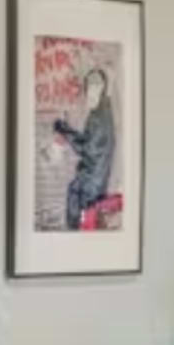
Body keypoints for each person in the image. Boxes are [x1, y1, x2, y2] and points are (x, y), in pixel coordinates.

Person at [47, 64, 116, 229]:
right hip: (93, 181)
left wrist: (64, 130)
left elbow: (86, 149)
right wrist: (66, 129)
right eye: (89, 88)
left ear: (103, 89)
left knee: (74, 196)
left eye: (96, 87)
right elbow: (88, 141)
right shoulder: (99, 113)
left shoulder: (100, 117)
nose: (91, 93)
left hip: (91, 186)